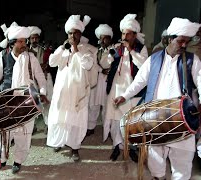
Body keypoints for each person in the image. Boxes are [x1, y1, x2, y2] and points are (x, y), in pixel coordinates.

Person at [113, 17, 201, 180]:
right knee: (155, 161)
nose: (183, 45)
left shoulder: (192, 60)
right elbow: (139, 81)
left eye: (186, 42)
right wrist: (124, 96)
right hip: (154, 118)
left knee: (182, 163)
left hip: (181, 119)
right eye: (181, 41)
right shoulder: (153, 59)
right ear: (169, 39)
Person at [0, 25, 48, 174]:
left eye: (24, 41)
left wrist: (42, 92)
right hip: (6, 101)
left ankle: (18, 161)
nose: (23, 44)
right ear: (12, 43)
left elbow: (40, 78)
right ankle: (1, 160)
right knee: (1, 132)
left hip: (26, 102)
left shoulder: (31, 57)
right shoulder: (3, 56)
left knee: (23, 134)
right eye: (20, 42)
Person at [46, 14, 94, 161]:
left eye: (75, 33)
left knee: (76, 120)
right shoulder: (63, 48)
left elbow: (88, 65)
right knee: (60, 117)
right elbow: (52, 62)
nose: (72, 35)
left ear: (80, 34)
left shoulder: (86, 49)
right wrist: (62, 48)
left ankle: (75, 148)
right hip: (62, 91)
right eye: (70, 33)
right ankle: (59, 141)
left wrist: (75, 49)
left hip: (77, 92)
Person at [105, 14, 148, 161]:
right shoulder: (118, 47)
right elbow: (108, 62)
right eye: (123, 33)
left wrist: (130, 51)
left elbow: (143, 66)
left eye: (127, 34)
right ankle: (116, 147)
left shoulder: (141, 49)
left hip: (132, 91)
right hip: (116, 88)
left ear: (135, 35)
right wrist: (112, 53)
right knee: (116, 120)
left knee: (131, 120)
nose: (124, 36)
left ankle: (131, 148)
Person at [86, 24, 114, 136]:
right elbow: (94, 64)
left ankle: (107, 128)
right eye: (101, 38)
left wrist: (104, 68)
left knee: (106, 105)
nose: (103, 40)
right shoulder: (96, 50)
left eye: (105, 38)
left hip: (108, 81)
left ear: (109, 39)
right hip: (97, 79)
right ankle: (91, 127)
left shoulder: (113, 50)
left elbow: (109, 62)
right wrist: (100, 70)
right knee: (93, 104)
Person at [27, 26, 53, 134]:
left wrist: (46, 66)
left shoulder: (45, 50)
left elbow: (51, 63)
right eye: (32, 38)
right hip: (32, 81)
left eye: (36, 38)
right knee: (32, 103)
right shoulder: (26, 52)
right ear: (29, 39)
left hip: (45, 78)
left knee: (47, 101)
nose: (34, 40)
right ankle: (32, 127)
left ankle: (48, 125)